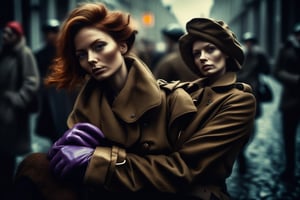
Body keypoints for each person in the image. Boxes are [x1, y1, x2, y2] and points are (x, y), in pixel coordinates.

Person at [14, 5, 256, 200]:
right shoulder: (87, 101)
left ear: (122, 45)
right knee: (35, 166)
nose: (92, 59)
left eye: (99, 46)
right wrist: (63, 151)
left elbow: (181, 169)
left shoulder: (176, 97)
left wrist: (97, 160)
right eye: (81, 54)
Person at [0, 21, 40, 198]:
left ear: (17, 36)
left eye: (9, 34)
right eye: (4, 33)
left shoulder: (24, 53)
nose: (4, 36)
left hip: (12, 112)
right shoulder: (6, 54)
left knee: (10, 152)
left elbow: (32, 81)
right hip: (3, 110)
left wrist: (18, 99)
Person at [34, 19, 77, 143]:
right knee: (52, 128)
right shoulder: (40, 55)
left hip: (65, 95)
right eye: (48, 33)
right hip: (48, 96)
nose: (51, 36)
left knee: (65, 124)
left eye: (54, 32)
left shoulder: (66, 52)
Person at [236, 31, 271, 173]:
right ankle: (240, 153)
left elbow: (267, 71)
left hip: (254, 95)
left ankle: (242, 149)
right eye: (247, 42)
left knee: (252, 127)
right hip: (239, 94)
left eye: (251, 42)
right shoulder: (238, 56)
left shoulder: (259, 55)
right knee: (239, 126)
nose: (249, 45)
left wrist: (262, 57)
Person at [273, 22, 300, 184]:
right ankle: (289, 168)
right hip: (290, 100)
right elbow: (277, 71)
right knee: (288, 137)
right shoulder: (286, 49)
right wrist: (295, 79)